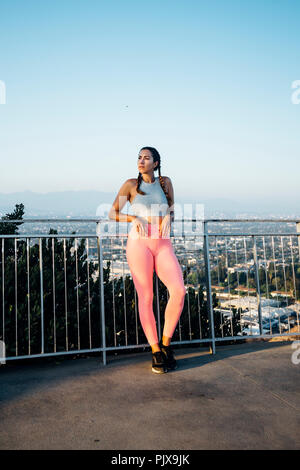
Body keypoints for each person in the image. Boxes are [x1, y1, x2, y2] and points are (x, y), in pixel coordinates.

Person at [108, 146, 186, 374]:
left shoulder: (165, 183)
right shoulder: (131, 185)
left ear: (156, 163)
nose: (141, 161)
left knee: (179, 291)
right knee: (147, 296)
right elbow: (113, 213)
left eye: (146, 158)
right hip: (138, 243)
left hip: (163, 243)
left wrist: (170, 218)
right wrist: (134, 217)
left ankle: (166, 344)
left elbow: (171, 208)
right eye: (139, 157)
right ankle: (155, 351)